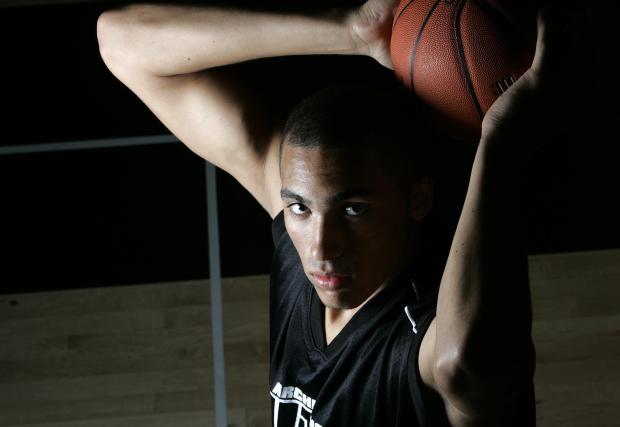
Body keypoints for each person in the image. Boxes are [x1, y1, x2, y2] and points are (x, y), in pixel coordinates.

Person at [96, 0, 599, 425]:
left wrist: (502, 141)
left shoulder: (424, 327)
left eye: (354, 209)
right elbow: (120, 40)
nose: (320, 247)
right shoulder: (305, 236)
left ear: (417, 199)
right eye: (298, 207)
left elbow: (465, 365)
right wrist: (354, 32)